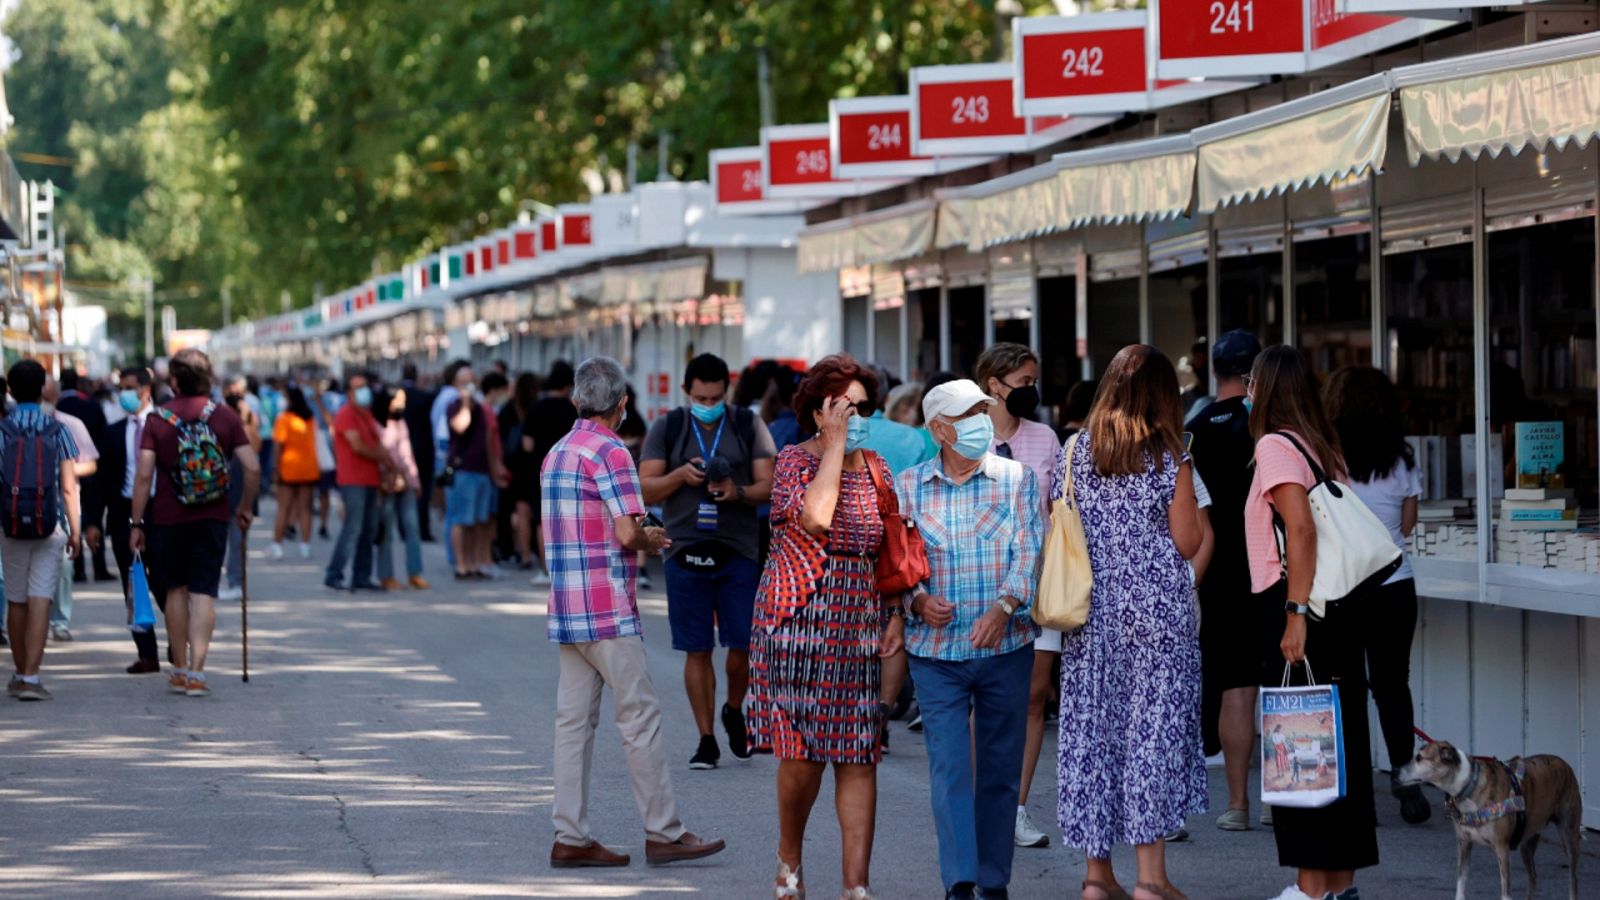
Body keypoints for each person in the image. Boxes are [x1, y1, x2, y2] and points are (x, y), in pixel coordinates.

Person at [541, 355, 726, 870]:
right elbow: (627, 532)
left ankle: (570, 834)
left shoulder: (558, 452)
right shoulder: (613, 452)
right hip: (608, 609)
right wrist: (651, 536)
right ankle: (664, 831)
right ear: (622, 405)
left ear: (577, 401)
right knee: (638, 717)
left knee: (572, 724)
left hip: (567, 607)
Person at [1053, 346, 1206, 900]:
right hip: (1158, 618)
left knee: (1094, 738)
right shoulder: (1171, 454)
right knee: (1152, 739)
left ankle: (1097, 878)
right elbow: (1188, 541)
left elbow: (1061, 520)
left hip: (1090, 617)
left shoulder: (1074, 451)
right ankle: (1151, 879)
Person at [747, 355, 895, 900]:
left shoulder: (877, 467)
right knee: (805, 753)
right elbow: (815, 518)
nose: (856, 416)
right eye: (844, 406)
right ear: (818, 411)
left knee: (860, 751)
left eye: (863, 407)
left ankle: (856, 886)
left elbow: (891, 551)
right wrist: (833, 447)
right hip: (797, 622)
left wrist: (895, 614)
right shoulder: (794, 461)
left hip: (856, 625)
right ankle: (790, 858)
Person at [898, 379, 1042, 900]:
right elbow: (896, 564)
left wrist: (1006, 607)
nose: (982, 422)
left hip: (1006, 647)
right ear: (938, 429)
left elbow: (1030, 551)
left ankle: (994, 879)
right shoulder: (908, 485)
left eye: (984, 410)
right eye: (968, 415)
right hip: (935, 656)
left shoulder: (1017, 478)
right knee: (952, 768)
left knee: (1001, 771)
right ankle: (960, 881)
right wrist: (916, 600)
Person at [1245, 346, 1378, 900]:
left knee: (1299, 746)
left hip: (1302, 613)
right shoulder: (1321, 447)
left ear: (1268, 386)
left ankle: (1309, 888)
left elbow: (1300, 530)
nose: (1247, 388)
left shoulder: (1275, 445)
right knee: (1340, 746)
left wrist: (1294, 615)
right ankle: (1339, 885)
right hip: (1338, 612)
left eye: (1253, 379)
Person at [639, 353, 776, 770]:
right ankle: (706, 738)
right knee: (695, 649)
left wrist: (738, 493)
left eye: (716, 396)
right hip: (683, 550)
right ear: (686, 392)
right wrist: (681, 476)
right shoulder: (669, 426)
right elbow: (645, 489)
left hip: (737, 550)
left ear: (727, 391)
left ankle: (734, 708)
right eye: (701, 396)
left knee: (743, 646)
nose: (709, 402)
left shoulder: (748, 424)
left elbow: (769, 485)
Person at [1323, 366, 1430, 826]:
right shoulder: (1403, 459)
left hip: (1343, 587)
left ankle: (1352, 790)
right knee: (1392, 685)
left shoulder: (1326, 456)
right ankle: (1405, 782)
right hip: (1394, 584)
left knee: (1345, 687)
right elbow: (1407, 525)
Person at [973, 343, 1063, 851]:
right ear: (994, 384)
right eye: (1024, 381)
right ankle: (976, 797)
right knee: (980, 695)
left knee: (1031, 697)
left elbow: (1056, 510)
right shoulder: (964, 433)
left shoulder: (1045, 438)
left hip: (1039, 582)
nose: (1031, 390)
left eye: (1034, 380)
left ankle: (1016, 807)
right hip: (977, 584)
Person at [130, 348, 258, 699]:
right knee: (203, 593)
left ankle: (180, 669)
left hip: (170, 517)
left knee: (175, 591)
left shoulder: (158, 419)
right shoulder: (226, 416)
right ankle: (198, 674)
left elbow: (143, 476)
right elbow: (252, 466)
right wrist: (245, 507)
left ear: (173, 380)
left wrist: (137, 522)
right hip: (213, 517)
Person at [1184, 329, 1263, 832]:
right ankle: (1282, 797)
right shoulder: (1266, 424)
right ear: (1255, 372)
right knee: (1276, 684)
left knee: (1232, 684)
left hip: (1213, 569)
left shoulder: (1192, 428)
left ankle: (1237, 804)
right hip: (1268, 567)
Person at [3, 360, 82, 701]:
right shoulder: (58, 428)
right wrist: (75, 529)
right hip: (50, 526)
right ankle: (32, 678)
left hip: (9, 525)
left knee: (15, 599)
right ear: (42, 390)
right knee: (41, 599)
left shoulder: (3, 429)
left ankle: (20, 673)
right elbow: (68, 487)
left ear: (10, 389)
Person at [104, 367, 166, 674]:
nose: (123, 394)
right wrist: (92, 521)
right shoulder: (114, 431)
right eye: (121, 388)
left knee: (165, 582)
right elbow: (102, 482)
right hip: (123, 514)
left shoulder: (166, 424)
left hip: (162, 511)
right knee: (132, 585)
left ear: (146, 389)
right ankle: (147, 653)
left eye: (129, 388)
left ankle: (181, 641)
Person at [43, 375, 99, 642]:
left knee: (63, 568)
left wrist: (64, 468)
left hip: (64, 505)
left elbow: (90, 463)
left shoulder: (70, 425)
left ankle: (59, 620)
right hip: (32, 507)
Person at [324, 372, 388, 591]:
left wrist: (389, 464)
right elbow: (358, 446)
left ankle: (362, 576)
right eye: (358, 387)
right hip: (353, 481)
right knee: (352, 528)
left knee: (368, 530)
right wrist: (383, 458)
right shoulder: (346, 415)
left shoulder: (365, 414)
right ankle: (334, 573)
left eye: (365, 386)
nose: (364, 391)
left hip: (370, 479)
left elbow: (377, 444)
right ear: (349, 393)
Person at [446, 369, 510, 579]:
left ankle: (473, 562)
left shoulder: (483, 409)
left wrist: (496, 468)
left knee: (477, 522)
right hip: (465, 470)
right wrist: (466, 403)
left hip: (482, 471)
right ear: (456, 385)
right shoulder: (456, 406)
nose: (469, 386)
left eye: (472, 381)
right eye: (464, 383)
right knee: (462, 520)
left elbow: (489, 442)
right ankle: (461, 564)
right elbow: (460, 427)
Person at [526, 360, 578, 586]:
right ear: (569, 385)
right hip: (569, 470)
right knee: (568, 518)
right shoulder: (572, 410)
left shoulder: (536, 407)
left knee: (542, 520)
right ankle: (566, 566)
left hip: (541, 470)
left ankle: (546, 569)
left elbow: (527, 443)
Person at [55, 368, 108, 583]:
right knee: (93, 517)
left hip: (63, 473)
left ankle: (78, 568)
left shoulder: (57, 410)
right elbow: (103, 437)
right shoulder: (92, 406)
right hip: (89, 469)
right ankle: (99, 566)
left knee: (72, 516)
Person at [375, 387, 428, 590]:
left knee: (412, 527)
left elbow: (407, 453)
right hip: (386, 483)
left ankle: (415, 572)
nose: (401, 404)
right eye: (398, 399)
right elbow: (379, 453)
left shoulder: (400, 423)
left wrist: (414, 481)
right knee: (386, 530)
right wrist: (385, 477)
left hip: (404, 482)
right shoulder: (377, 423)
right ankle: (386, 575)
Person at [220, 375, 262, 602]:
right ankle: (231, 580)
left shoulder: (245, 430)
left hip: (240, 494)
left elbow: (254, 451)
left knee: (237, 542)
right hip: (223, 494)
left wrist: (247, 421)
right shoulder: (219, 428)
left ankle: (236, 581)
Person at [269, 386, 319, 560]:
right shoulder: (309, 418)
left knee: (284, 508)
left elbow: (278, 447)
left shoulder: (284, 419)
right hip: (309, 468)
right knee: (305, 509)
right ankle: (305, 545)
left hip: (288, 468)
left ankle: (277, 545)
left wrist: (275, 469)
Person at [500, 372, 543, 569]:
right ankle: (539, 553)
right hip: (537, 466)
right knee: (540, 515)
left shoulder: (508, 409)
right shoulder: (540, 407)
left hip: (516, 466)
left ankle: (523, 553)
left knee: (520, 511)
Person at [399, 364, 437, 542]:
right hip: (423, 449)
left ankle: (403, 529)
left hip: (402, 449)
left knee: (404, 490)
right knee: (423, 491)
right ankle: (422, 529)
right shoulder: (424, 397)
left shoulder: (396, 397)